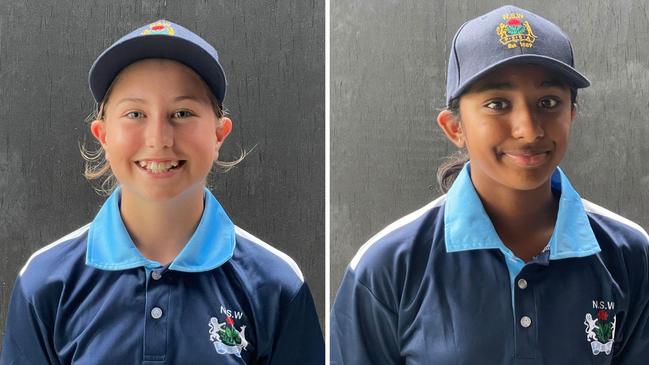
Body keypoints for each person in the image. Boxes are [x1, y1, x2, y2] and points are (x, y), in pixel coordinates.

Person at [331, 5, 648, 364]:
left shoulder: (629, 254)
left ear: (571, 114)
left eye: (548, 102)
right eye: (498, 103)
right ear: (455, 127)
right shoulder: (387, 266)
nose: (528, 129)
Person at [1, 20, 323, 365]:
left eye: (182, 113)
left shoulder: (276, 285)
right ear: (103, 135)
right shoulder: (45, 283)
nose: (159, 138)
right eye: (135, 113)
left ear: (219, 134)